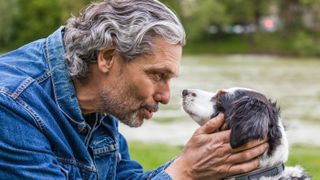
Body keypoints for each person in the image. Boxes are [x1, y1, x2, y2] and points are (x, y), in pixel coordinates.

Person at [0, 0, 268, 179]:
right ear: (107, 57)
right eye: (157, 75)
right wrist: (184, 171)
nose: (165, 96)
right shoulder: (11, 104)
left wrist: (198, 163)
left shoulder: (95, 97)